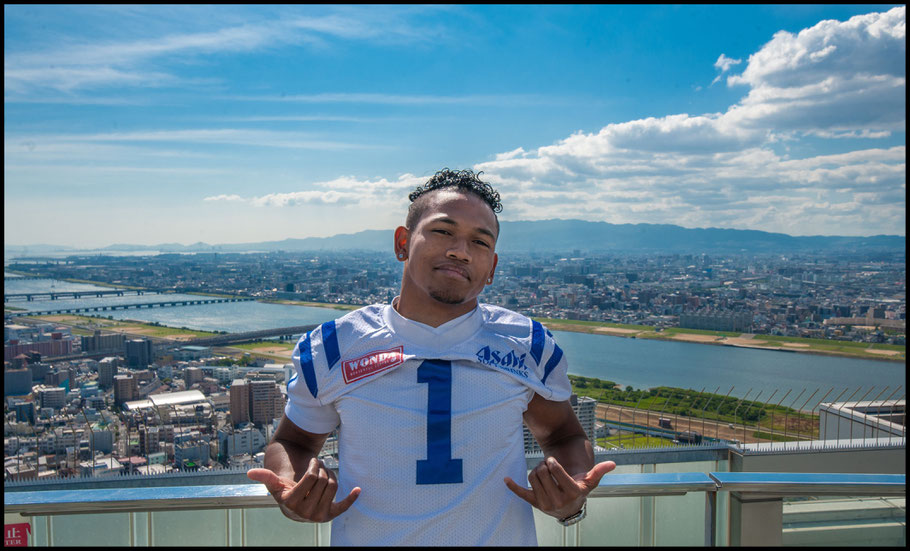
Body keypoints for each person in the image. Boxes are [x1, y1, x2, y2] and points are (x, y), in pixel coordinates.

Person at [247, 168, 615, 546]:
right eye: (443, 232)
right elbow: (293, 442)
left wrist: (570, 493)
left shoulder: (528, 345)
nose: (460, 251)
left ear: (492, 269)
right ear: (402, 242)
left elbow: (563, 434)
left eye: (480, 242)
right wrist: (292, 491)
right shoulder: (334, 347)